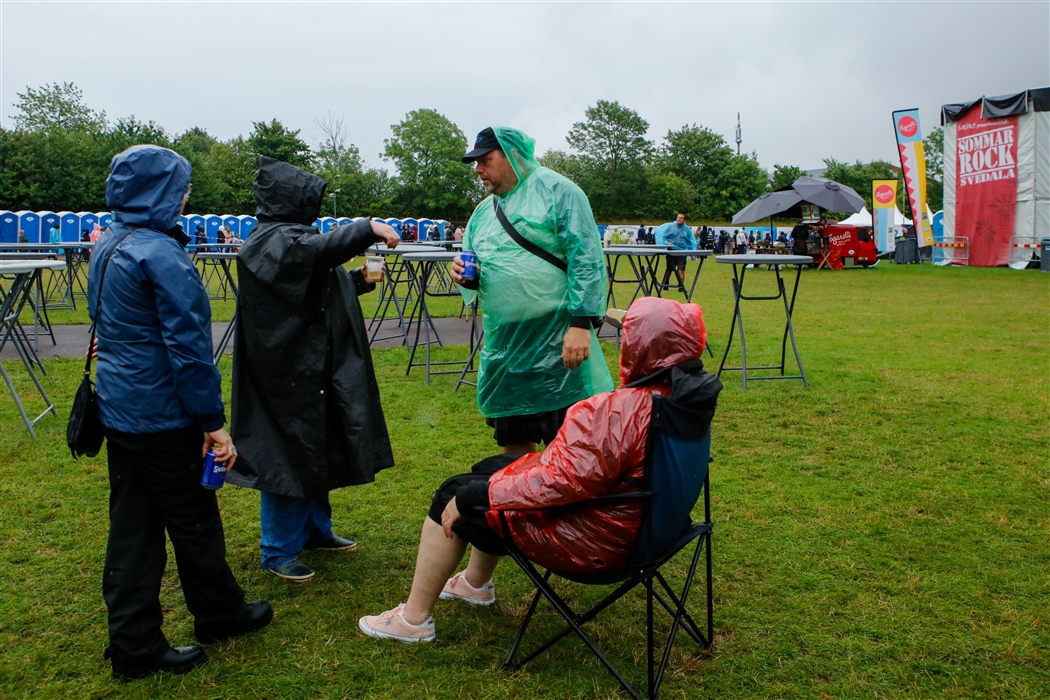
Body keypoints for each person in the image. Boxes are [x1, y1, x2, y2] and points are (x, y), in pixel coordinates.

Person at [358, 297, 721, 642]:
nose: (620, 340)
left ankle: (413, 621)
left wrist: (475, 495)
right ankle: (473, 583)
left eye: (626, 335)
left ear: (642, 347)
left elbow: (560, 481)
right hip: (652, 530)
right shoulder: (685, 398)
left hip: (596, 541)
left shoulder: (614, 412)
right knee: (493, 467)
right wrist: (495, 480)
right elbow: (579, 471)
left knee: (454, 493)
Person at [87, 145, 271, 681]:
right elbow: (189, 353)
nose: (187, 197)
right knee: (192, 522)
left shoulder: (109, 242)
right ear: (161, 193)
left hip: (120, 407)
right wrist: (213, 425)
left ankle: (133, 641)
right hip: (161, 413)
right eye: (181, 188)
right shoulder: (161, 255)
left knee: (133, 527)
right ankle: (218, 614)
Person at [226, 157, 400, 583]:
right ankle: (279, 549)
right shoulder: (268, 242)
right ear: (292, 199)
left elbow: (313, 278)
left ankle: (316, 532)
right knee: (286, 457)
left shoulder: (288, 238)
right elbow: (311, 255)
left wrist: (357, 279)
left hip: (312, 367)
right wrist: (365, 227)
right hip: (285, 372)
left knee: (316, 447)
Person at [450, 126, 613, 457]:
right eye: (475, 162)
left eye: (485, 160)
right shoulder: (483, 213)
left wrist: (581, 324)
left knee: (568, 445)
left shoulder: (560, 193)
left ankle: (564, 507)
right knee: (515, 444)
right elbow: (481, 269)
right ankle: (523, 506)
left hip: (559, 338)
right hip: (507, 344)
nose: (478, 169)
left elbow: (586, 260)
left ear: (511, 155)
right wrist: (467, 279)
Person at [653, 213, 696, 293]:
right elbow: (665, 238)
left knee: (681, 270)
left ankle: (681, 286)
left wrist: (692, 253)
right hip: (671, 252)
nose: (679, 219)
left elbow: (689, 242)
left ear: (684, 220)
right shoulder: (670, 227)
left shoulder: (687, 230)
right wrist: (667, 243)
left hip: (682, 253)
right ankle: (666, 282)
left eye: (681, 218)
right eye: (678, 217)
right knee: (669, 269)